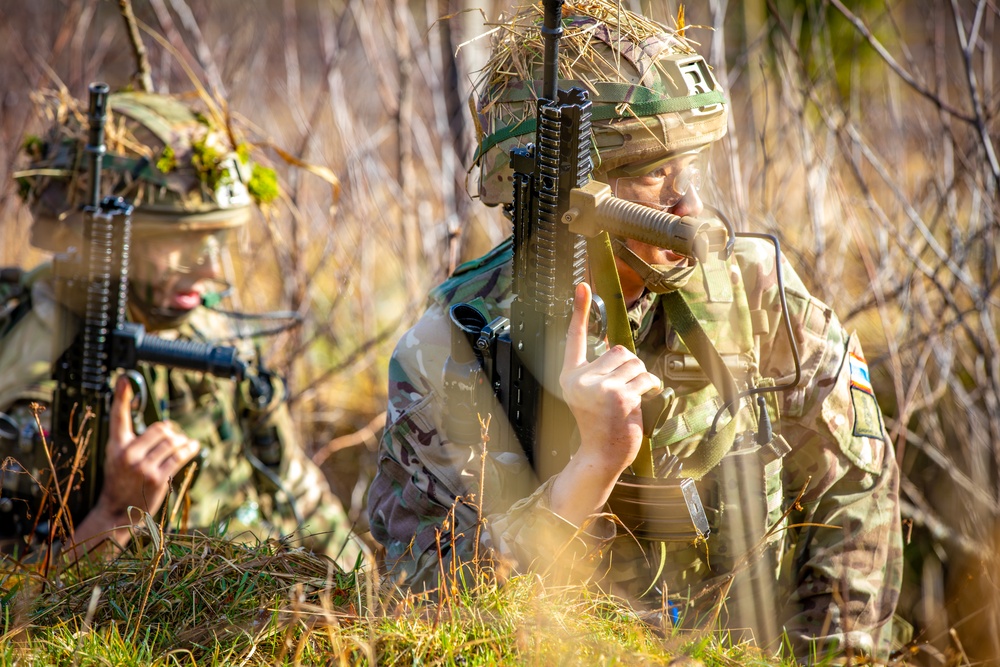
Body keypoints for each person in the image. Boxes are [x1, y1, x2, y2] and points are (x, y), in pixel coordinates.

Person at [367, 2, 902, 663]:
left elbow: (855, 503)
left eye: (694, 169)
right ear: (568, 192)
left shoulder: (758, 297)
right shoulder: (451, 353)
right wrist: (586, 472)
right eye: (655, 174)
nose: (692, 208)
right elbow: (429, 620)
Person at [0, 88, 366, 570]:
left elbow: (299, 493)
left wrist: (367, 603)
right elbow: (16, 612)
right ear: (105, 241)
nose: (212, 269)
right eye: (181, 242)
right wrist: (114, 515)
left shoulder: (207, 329)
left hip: (258, 608)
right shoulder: (31, 367)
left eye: (217, 239)